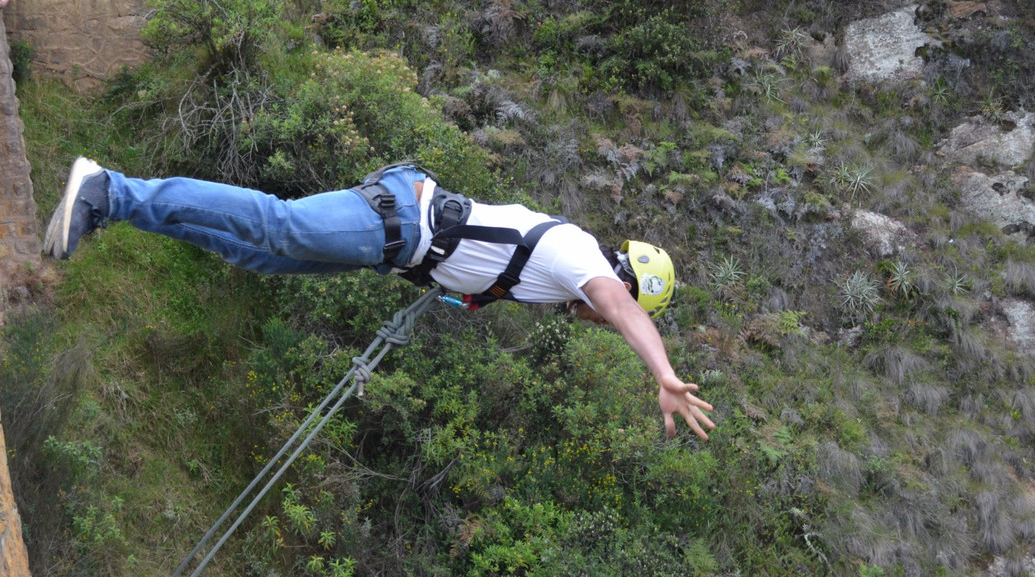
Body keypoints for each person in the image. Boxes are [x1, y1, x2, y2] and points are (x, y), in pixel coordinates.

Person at [43, 158, 716, 440]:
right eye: (618, 311)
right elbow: (623, 311)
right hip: (398, 219)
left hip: (393, 245)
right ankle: (113, 188)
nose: (604, 322)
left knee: (257, 252)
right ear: (624, 286)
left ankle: (110, 208)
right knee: (280, 224)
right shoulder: (581, 260)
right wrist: (661, 374)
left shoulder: (559, 276)